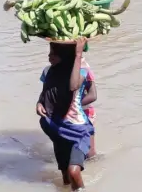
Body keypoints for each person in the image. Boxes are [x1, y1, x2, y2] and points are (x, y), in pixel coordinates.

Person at [36, 38, 93, 191]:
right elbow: (45, 93)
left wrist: (78, 54)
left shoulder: (82, 70)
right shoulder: (48, 71)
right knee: (65, 177)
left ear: (66, 55)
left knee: (73, 171)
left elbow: (73, 86)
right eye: (49, 53)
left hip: (77, 129)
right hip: (57, 129)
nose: (50, 57)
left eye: (54, 54)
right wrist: (39, 103)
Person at [80, 56, 98, 159]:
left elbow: (93, 96)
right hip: (65, 113)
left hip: (85, 112)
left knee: (90, 154)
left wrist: (73, 105)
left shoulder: (84, 68)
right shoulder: (55, 69)